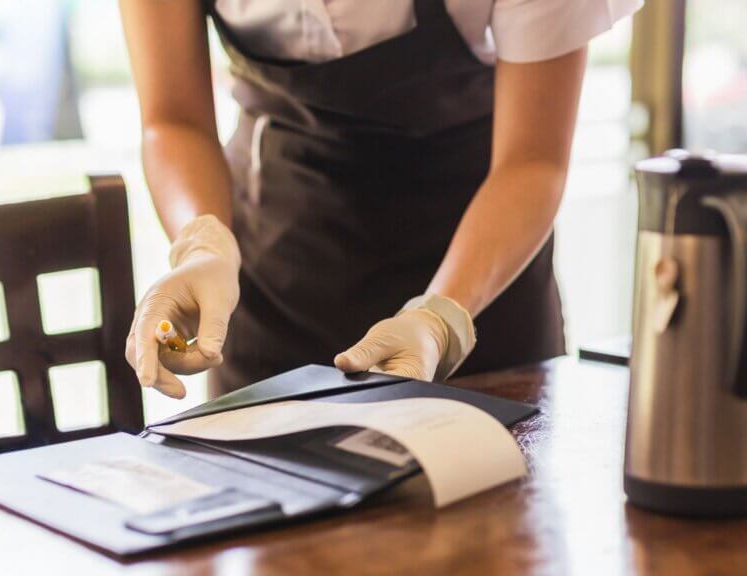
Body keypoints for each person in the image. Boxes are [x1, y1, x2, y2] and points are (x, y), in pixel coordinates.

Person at [120, 0, 641, 399]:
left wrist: (440, 318)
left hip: (480, 289)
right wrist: (203, 244)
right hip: (271, 286)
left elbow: (533, 161)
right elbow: (174, 121)